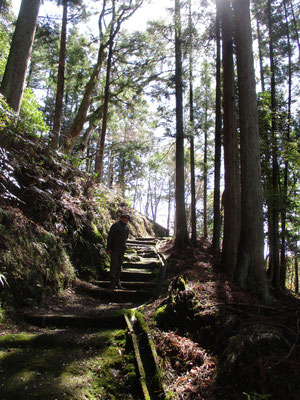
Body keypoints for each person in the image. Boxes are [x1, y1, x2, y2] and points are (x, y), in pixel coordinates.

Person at [106, 212, 130, 289]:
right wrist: (108, 248)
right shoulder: (115, 226)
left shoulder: (127, 228)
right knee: (114, 266)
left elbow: (125, 238)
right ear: (121, 218)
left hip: (121, 250)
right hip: (114, 249)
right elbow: (110, 237)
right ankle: (112, 283)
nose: (125, 219)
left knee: (119, 266)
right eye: (124, 217)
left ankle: (118, 282)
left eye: (127, 218)